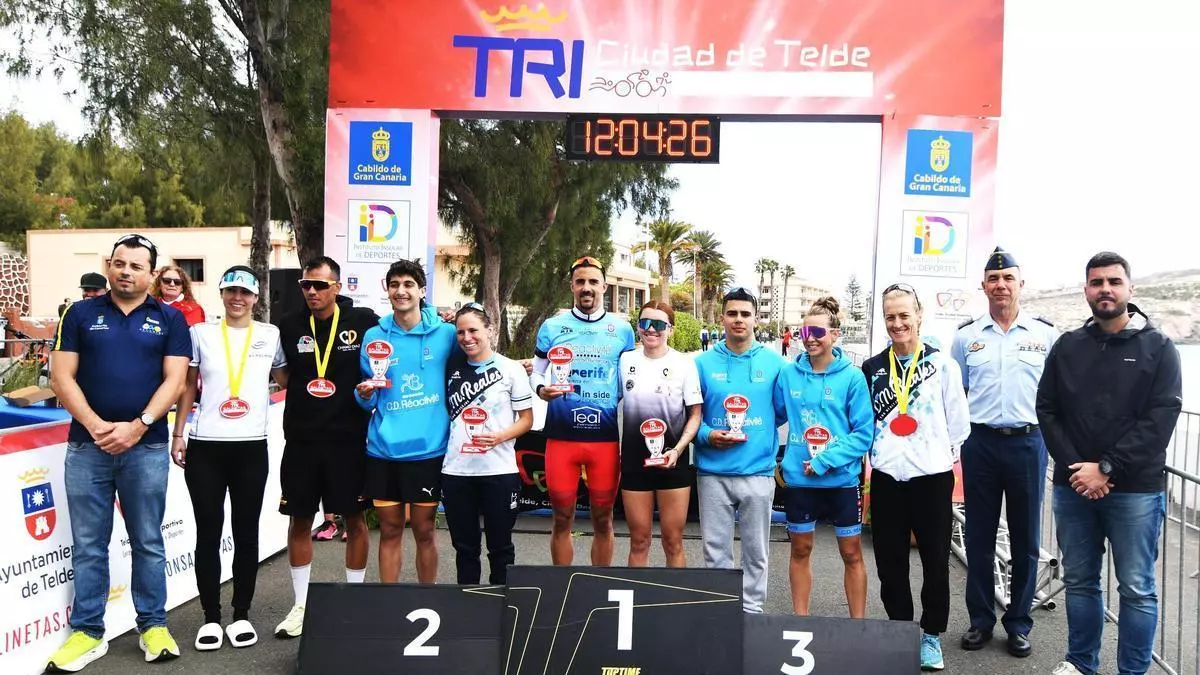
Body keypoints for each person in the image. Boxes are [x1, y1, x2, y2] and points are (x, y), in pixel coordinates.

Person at [47, 233, 191, 670]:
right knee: (90, 544)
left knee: (147, 540)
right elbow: (61, 376)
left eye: (136, 266)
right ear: (109, 265)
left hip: (146, 447)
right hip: (86, 447)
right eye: (120, 263)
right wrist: (97, 426)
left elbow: (175, 381)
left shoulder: (170, 319)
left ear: (152, 273)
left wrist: (138, 425)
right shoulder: (79, 313)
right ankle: (88, 632)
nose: (126, 272)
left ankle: (153, 625)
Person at [1036, 252, 1182, 675]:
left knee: (1136, 588)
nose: (1105, 289)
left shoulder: (1159, 347)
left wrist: (1106, 468)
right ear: (1086, 290)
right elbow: (1047, 409)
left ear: (1130, 289)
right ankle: (1081, 663)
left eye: (1114, 282)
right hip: (1074, 488)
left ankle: (1132, 671)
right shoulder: (1068, 346)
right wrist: (1076, 468)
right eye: (1097, 282)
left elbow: (1161, 418)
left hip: (1135, 490)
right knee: (1080, 582)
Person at [171, 266, 287, 651]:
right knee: (208, 532)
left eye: (245, 292)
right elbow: (187, 387)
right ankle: (210, 617)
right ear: (222, 294)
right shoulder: (200, 334)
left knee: (246, 533)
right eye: (231, 291)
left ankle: (241, 615)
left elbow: (289, 380)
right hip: (206, 446)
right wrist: (178, 433)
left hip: (251, 446)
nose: (238, 298)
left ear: (255, 298)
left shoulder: (270, 335)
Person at [952, 247, 1059, 658]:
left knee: (1025, 538)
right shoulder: (966, 337)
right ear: (983, 286)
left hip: (1028, 443)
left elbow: (1055, 394)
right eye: (994, 279)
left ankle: (1018, 623)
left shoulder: (1044, 335)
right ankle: (980, 620)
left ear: (1020, 284)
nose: (1001, 285)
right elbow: (958, 391)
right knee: (978, 536)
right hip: (979, 443)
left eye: (1008, 278)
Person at [862, 283, 970, 671]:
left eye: (904, 315)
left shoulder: (943, 365)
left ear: (919, 315)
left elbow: (959, 424)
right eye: (890, 317)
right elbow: (866, 422)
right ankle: (900, 629)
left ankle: (931, 634)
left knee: (935, 561)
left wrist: (935, 455)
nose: (897, 323)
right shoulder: (872, 368)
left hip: (931, 477)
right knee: (890, 562)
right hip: (887, 477)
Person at [272, 256, 378, 638]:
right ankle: (301, 605)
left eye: (320, 285)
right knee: (300, 520)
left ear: (337, 287)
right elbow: (283, 375)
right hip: (302, 441)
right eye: (306, 285)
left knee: (355, 519)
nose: (312, 292)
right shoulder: (289, 325)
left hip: (348, 441)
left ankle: (355, 601)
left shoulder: (362, 321)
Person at [355, 259, 457, 583]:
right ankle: (388, 605)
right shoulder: (374, 336)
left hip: (428, 450)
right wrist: (364, 394)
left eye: (409, 284)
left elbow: (473, 360)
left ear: (422, 291)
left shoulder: (446, 334)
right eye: (395, 285)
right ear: (387, 290)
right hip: (384, 450)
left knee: (425, 530)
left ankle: (427, 601)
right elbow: (369, 395)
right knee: (389, 530)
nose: (401, 291)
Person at [530, 256, 635, 566]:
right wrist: (541, 390)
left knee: (603, 519)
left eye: (592, 282)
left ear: (603, 286)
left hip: (604, 439)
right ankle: (562, 585)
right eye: (580, 282)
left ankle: (598, 584)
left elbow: (629, 378)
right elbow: (537, 371)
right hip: (561, 438)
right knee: (562, 518)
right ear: (572, 286)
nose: (586, 287)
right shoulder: (552, 327)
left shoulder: (622, 330)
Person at [776, 297, 873, 618]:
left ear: (835, 334)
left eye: (817, 331)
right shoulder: (789, 375)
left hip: (841, 481)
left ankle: (858, 625)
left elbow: (863, 434)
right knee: (800, 550)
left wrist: (823, 461)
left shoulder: (853, 377)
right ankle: (800, 621)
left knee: (851, 553)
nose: (810, 338)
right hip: (800, 480)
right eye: (804, 331)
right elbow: (773, 415)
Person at [693, 287, 787, 613]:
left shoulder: (776, 364)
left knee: (756, 552)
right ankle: (719, 611)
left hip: (757, 472)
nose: (739, 319)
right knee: (715, 550)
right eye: (732, 313)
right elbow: (690, 415)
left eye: (745, 314)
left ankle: (751, 611)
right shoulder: (702, 363)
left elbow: (782, 411)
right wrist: (707, 435)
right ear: (722, 318)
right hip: (712, 472)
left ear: (756, 319)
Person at [441, 302, 534, 584]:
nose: (467, 337)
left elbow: (526, 420)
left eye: (473, 330)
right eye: (460, 332)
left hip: (499, 471)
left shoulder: (511, 369)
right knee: (465, 549)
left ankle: (501, 603)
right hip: (456, 471)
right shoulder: (449, 368)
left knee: (501, 547)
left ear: (489, 330)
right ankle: (468, 603)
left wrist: (500, 436)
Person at [618, 301, 702, 568]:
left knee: (673, 541)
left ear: (671, 329)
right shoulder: (625, 360)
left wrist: (677, 450)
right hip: (634, 463)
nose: (651, 329)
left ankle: (675, 597)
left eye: (658, 324)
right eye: (645, 323)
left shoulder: (684, 364)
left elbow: (695, 415)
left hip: (672, 463)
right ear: (638, 327)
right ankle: (636, 595)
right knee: (639, 541)